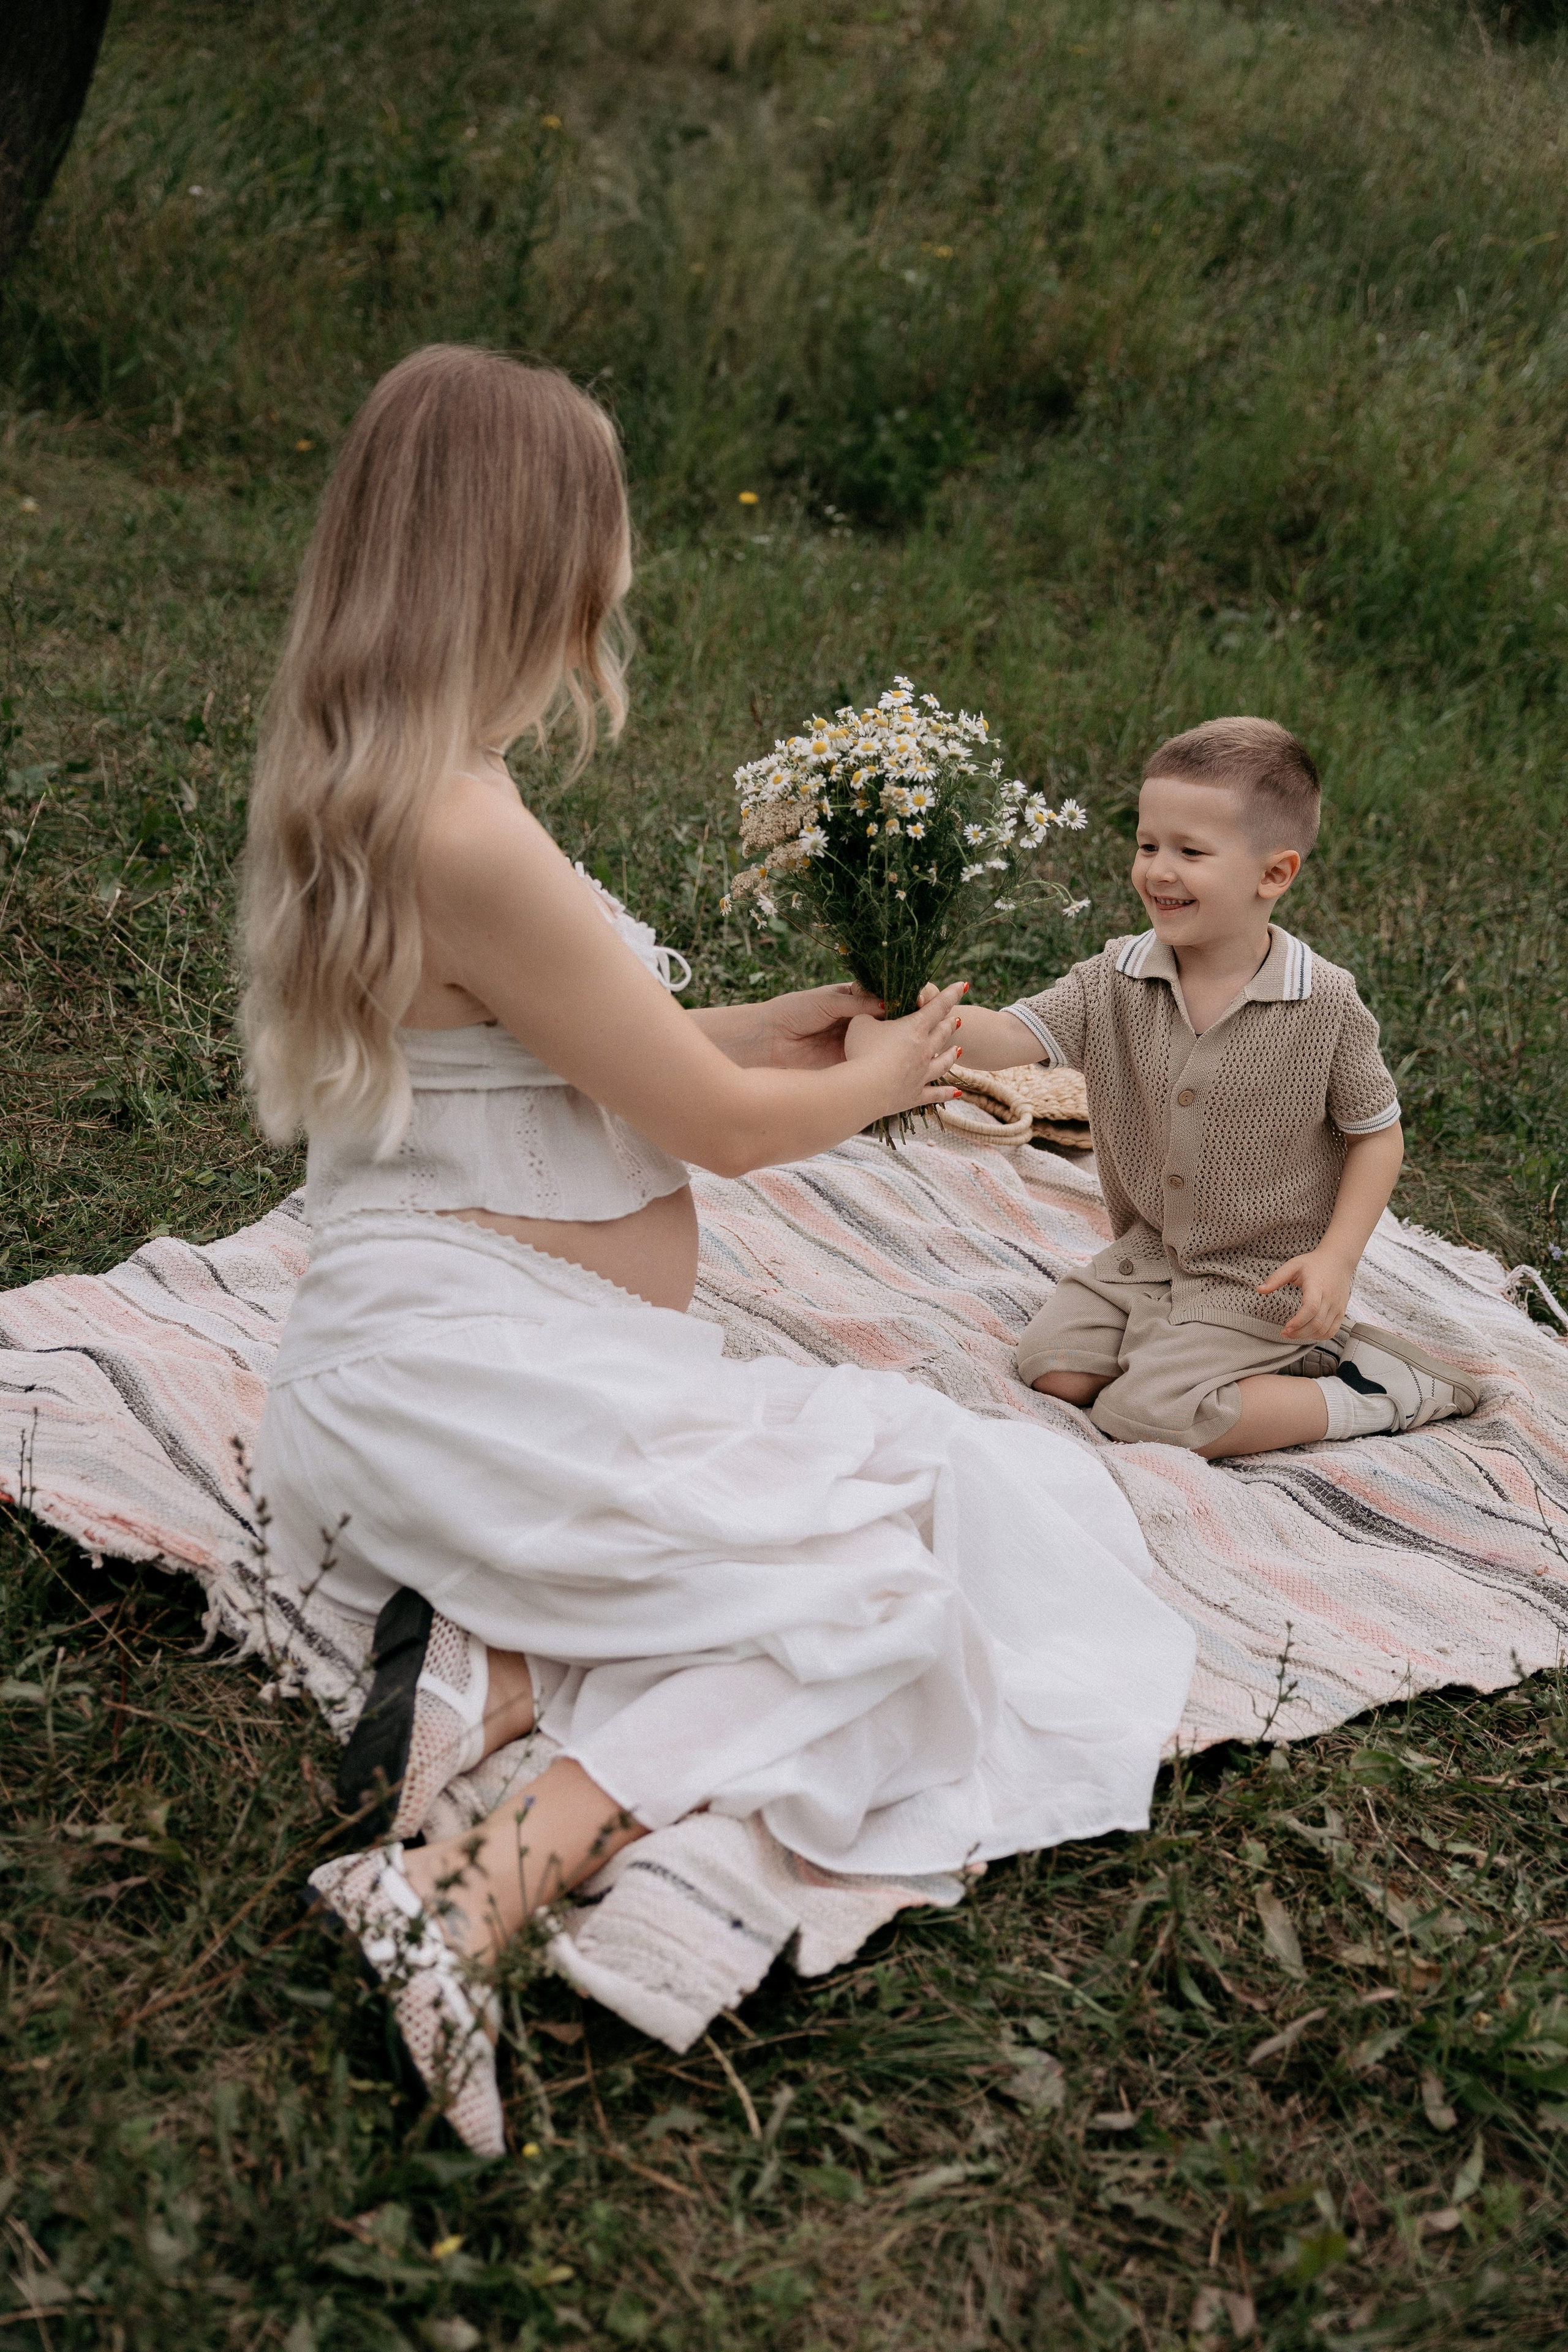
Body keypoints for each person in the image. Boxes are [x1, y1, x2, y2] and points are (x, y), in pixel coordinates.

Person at [242, 344, 1196, 2155]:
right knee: (890, 1590)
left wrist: (774, 1024)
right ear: (531, 562)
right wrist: (889, 1071)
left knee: (909, 1518)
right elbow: (718, 1130)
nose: (617, 577)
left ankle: (486, 1674)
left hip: (451, 1356)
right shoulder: (465, 824)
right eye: (599, 541)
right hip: (473, 1370)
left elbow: (564, 1046)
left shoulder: (387, 777)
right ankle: (459, 1886)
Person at [947, 717, 1480, 1458]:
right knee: (1054, 1368)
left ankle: (1375, 1388)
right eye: (1147, 845)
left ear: (1274, 874)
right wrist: (919, 1017)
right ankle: (1195, 1349)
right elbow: (1010, 1036)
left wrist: (1335, 1259)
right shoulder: (1117, 975)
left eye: (1189, 852)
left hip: (1261, 1277)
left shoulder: (1323, 1003)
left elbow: (1376, 1137)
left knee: (1149, 1416)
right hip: (1150, 1259)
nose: (1157, 871)